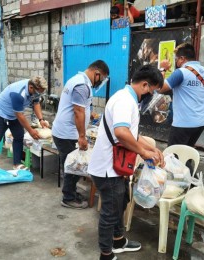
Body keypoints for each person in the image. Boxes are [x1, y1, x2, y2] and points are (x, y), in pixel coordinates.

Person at [88, 64, 165, 260]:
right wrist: (144, 153)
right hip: (108, 168)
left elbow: (132, 134)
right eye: (153, 91)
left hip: (113, 166)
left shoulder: (127, 99)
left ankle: (119, 240)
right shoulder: (125, 101)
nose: (153, 96)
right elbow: (121, 133)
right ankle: (106, 254)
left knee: (121, 202)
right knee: (110, 211)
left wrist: (151, 149)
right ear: (145, 85)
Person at [52, 60, 109, 209]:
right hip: (67, 133)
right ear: (97, 73)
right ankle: (68, 198)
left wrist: (91, 115)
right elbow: (78, 111)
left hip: (65, 131)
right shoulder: (82, 85)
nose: (100, 82)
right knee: (74, 165)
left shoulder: (78, 80)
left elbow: (80, 108)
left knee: (73, 164)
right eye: (101, 79)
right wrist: (82, 136)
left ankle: (71, 192)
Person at [159, 42, 204, 147]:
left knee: (173, 156)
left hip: (183, 124)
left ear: (182, 58)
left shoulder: (181, 72)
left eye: (176, 59)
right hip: (201, 123)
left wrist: (162, 69)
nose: (176, 62)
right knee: (187, 152)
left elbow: (160, 88)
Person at [0, 76, 49, 170]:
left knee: (19, 135)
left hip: (13, 114)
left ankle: (17, 164)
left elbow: (36, 103)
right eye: (39, 92)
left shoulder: (35, 90)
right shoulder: (18, 93)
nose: (39, 94)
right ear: (31, 87)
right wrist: (31, 131)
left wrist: (41, 120)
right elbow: (20, 115)